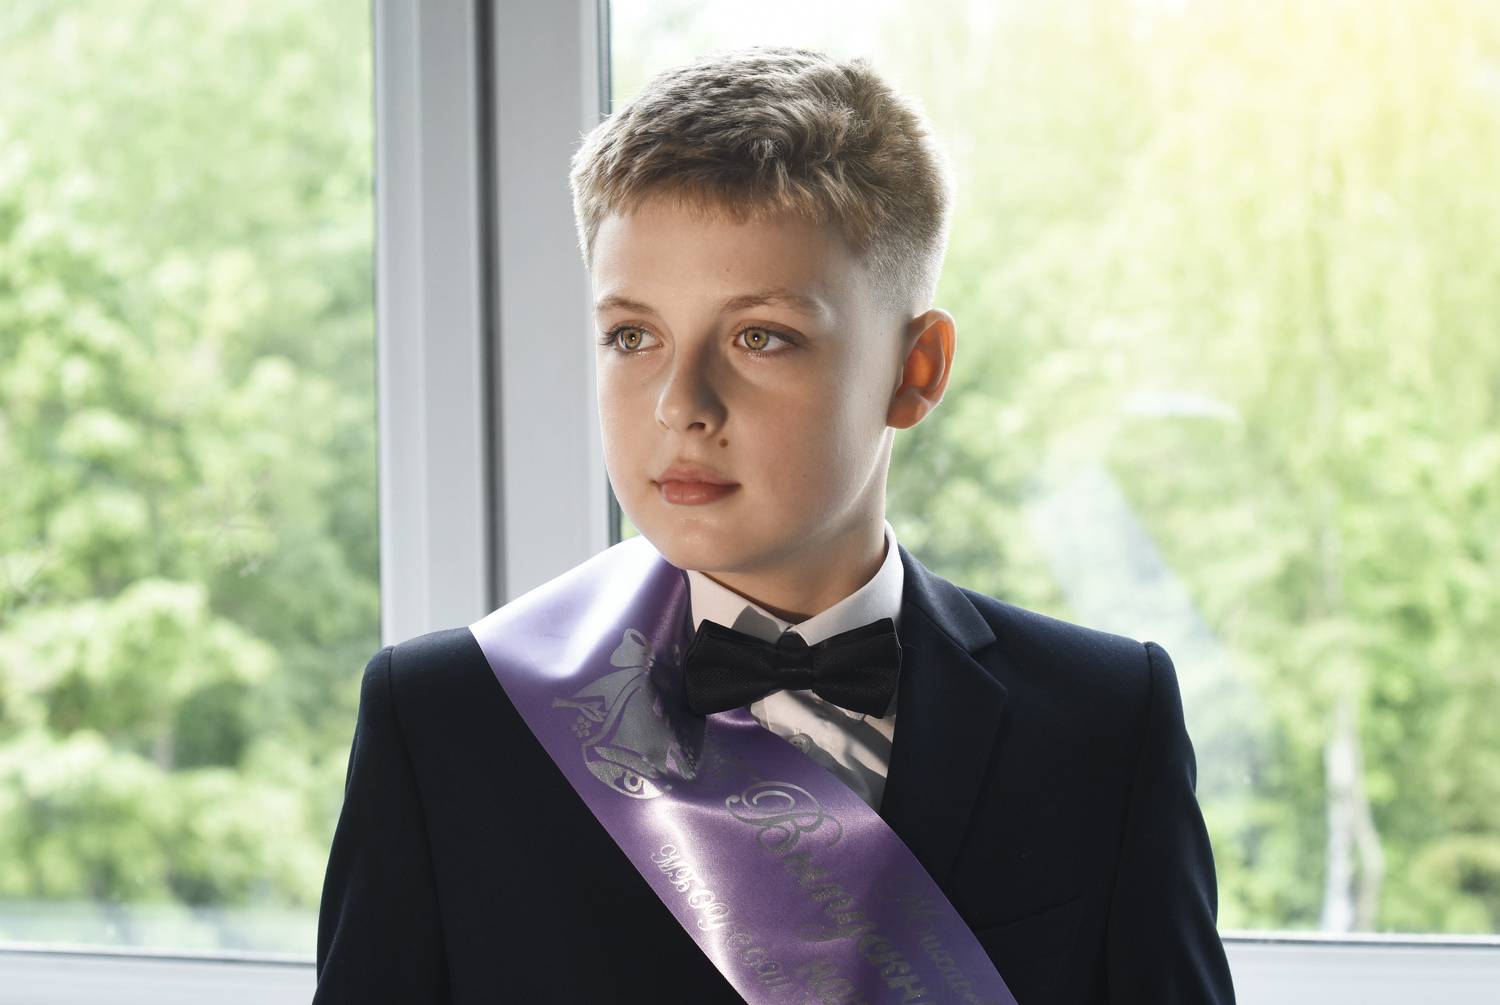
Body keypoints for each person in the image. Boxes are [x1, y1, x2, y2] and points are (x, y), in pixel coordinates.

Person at [313, 44, 1237, 1004]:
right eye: (633, 335)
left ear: (916, 370)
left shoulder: (1100, 723)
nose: (680, 403)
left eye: (761, 336)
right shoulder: (449, 721)